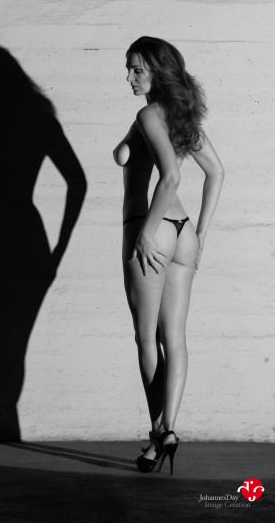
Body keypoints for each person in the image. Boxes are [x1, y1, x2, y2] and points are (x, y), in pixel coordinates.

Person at [0, 43, 87, 441]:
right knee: (8, 344)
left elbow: (76, 183)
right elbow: (77, 182)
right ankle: (4, 426)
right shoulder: (37, 123)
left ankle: (3, 426)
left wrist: (59, 250)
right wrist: (58, 249)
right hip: (15, 245)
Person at [113, 36, 224, 474]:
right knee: (174, 337)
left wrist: (145, 232)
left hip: (151, 228)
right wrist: (201, 234)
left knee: (146, 338)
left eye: (137, 69)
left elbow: (172, 176)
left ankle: (158, 431)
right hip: (184, 234)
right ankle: (167, 431)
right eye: (128, 68)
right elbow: (216, 172)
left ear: (157, 72)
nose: (129, 76)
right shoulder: (176, 116)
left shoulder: (148, 115)